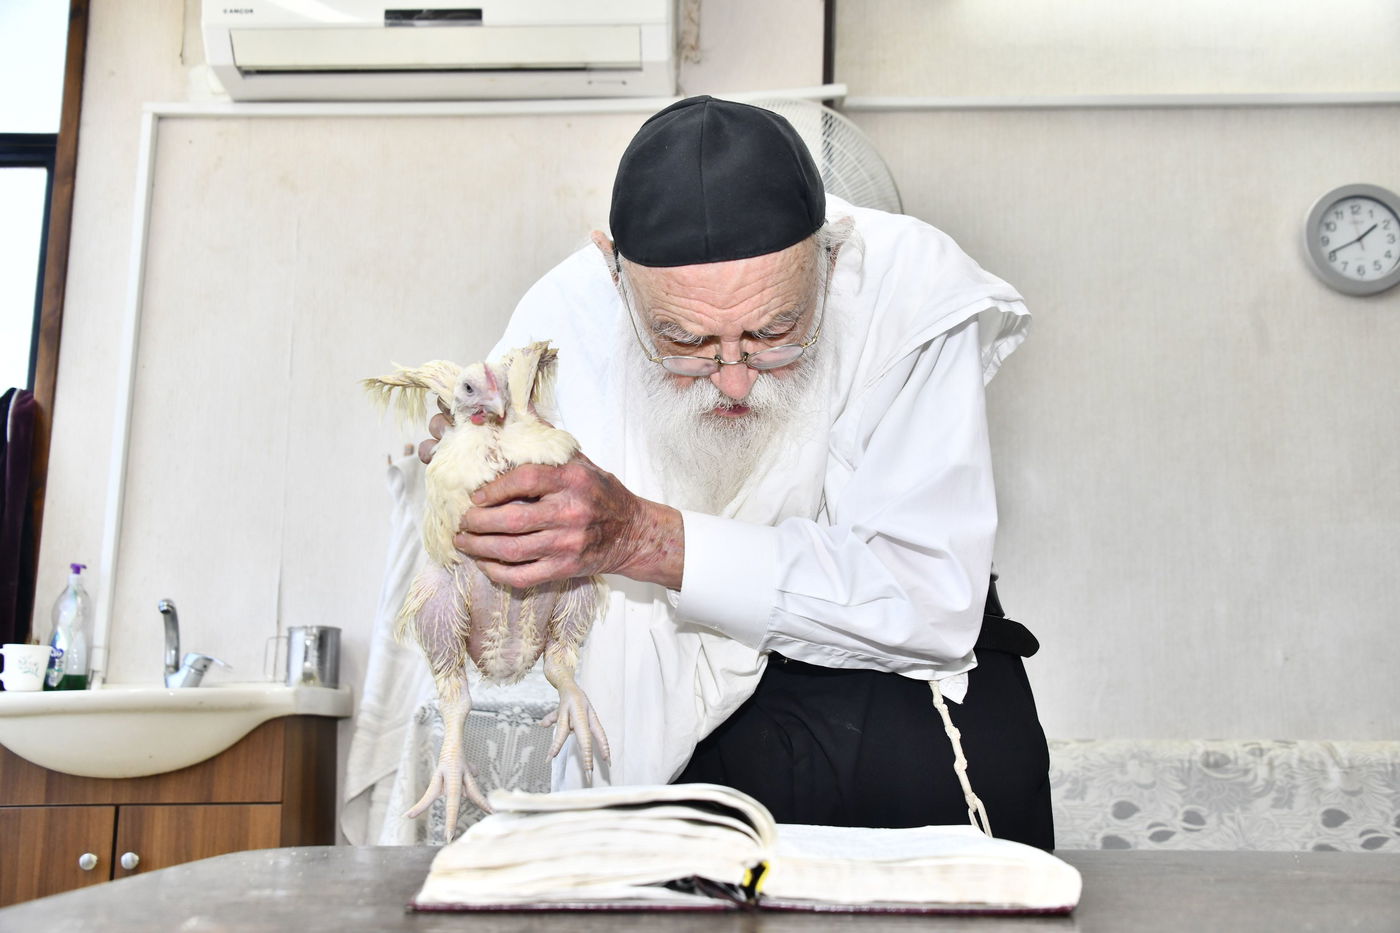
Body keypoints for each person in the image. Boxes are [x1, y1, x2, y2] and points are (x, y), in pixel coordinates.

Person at [423, 96, 1053, 850]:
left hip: (903, 719)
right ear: (615, 275)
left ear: (830, 257)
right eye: (684, 342)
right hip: (676, 751)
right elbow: (505, 606)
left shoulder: (909, 293)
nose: (733, 380)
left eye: (775, 332)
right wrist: (481, 494)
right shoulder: (562, 320)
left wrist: (645, 538)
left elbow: (926, 595)